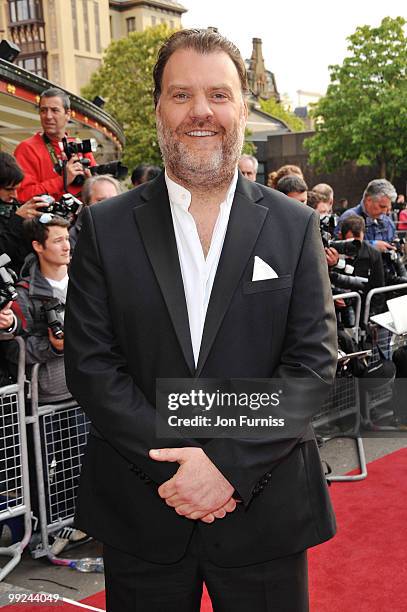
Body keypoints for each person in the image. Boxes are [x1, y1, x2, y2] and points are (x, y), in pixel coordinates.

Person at [65, 28, 337, 612]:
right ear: (159, 107)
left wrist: (226, 467)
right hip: (143, 508)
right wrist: (183, 466)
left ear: (242, 105)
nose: (201, 112)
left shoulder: (294, 228)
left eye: (218, 94)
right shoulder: (104, 228)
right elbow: (92, 367)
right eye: (181, 95)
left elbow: (311, 368)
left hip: (266, 512)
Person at [6, 216, 72, 403]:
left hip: (94, 386)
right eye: (58, 241)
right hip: (50, 397)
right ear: (38, 246)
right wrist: (52, 346)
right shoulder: (23, 294)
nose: (67, 246)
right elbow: (13, 349)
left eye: (67, 238)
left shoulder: (87, 282)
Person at [14, 88, 96, 203]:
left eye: (54, 110)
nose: (48, 116)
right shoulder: (27, 148)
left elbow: (97, 192)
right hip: (47, 219)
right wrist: (62, 180)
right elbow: (22, 195)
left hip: (83, 217)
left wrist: (91, 183)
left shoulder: (80, 147)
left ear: (67, 114)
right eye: (43, 110)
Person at [0, 152, 50, 273]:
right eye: (9, 189)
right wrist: (17, 220)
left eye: (17, 189)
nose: (14, 195)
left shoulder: (14, 205)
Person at [336, 179, 397, 252]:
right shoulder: (348, 218)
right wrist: (372, 246)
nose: (385, 212)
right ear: (368, 200)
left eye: (388, 207)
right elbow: (339, 248)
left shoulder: (387, 221)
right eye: (382, 206)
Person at [69, 175, 122, 250]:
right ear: (87, 203)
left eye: (114, 199)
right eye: (101, 200)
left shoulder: (130, 229)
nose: (109, 204)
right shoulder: (74, 236)